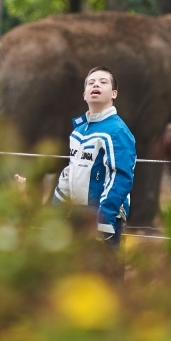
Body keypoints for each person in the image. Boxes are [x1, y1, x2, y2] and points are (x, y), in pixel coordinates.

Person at [52, 67, 136, 248]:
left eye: (103, 82)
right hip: (77, 215)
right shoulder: (78, 131)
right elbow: (70, 172)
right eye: (91, 83)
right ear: (84, 94)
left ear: (114, 93)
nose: (96, 84)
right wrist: (56, 209)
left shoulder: (117, 131)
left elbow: (120, 176)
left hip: (104, 218)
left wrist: (104, 219)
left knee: (104, 274)